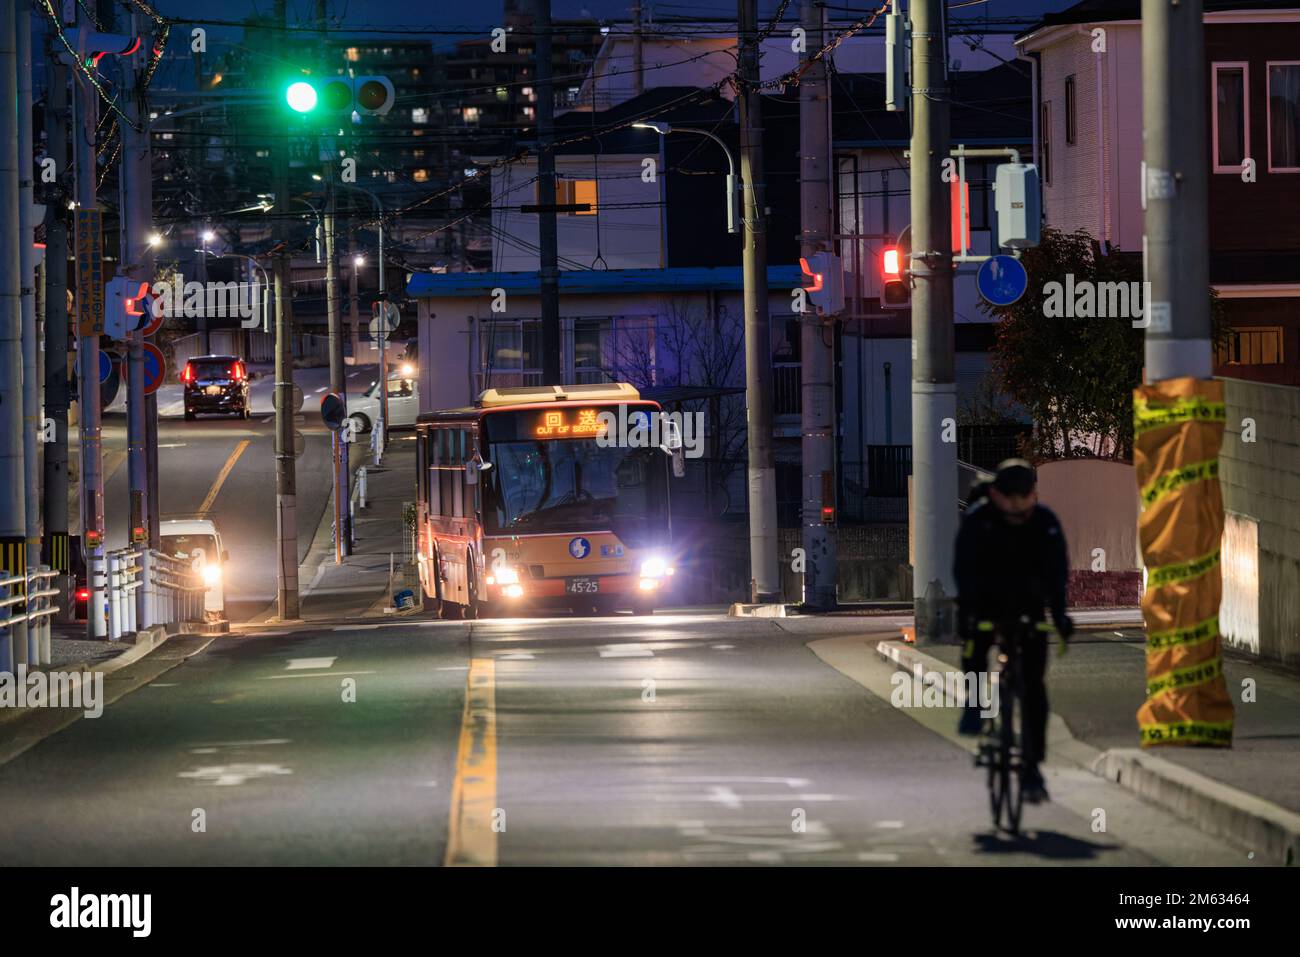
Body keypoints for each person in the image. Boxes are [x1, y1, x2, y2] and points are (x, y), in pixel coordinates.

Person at [954, 458, 1074, 804]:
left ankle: (1033, 768)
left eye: (1026, 496)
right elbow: (964, 571)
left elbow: (1056, 575)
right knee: (975, 648)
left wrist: (1061, 616)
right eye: (1012, 497)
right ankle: (976, 706)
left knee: (1034, 688)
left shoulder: (1045, 523)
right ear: (995, 495)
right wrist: (968, 614)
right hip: (986, 602)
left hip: (1029, 607)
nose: (1019, 504)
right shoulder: (979, 521)